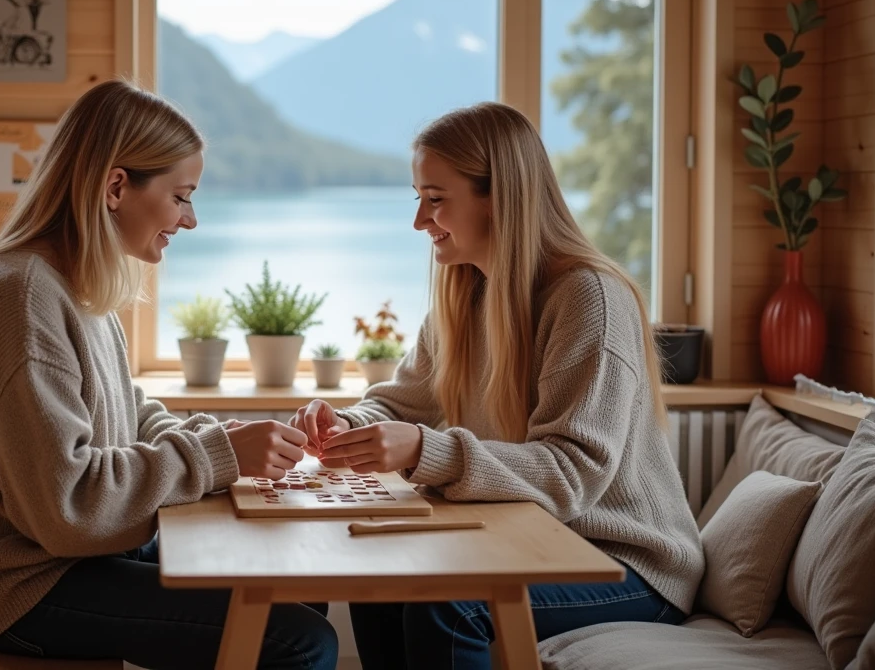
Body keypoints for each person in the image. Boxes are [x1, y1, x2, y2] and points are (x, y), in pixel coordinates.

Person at [0, 80, 337, 669]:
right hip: (25, 587)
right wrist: (219, 456)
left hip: (76, 560)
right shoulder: (22, 297)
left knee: (295, 583)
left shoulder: (72, 285)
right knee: (301, 641)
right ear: (116, 186)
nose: (191, 220)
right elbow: (69, 508)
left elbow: (126, 411)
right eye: (181, 196)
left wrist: (230, 440)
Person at [290, 102, 703, 669]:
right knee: (380, 582)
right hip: (524, 542)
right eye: (418, 198)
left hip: (626, 563)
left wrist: (423, 449)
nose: (419, 221)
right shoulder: (466, 294)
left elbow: (569, 472)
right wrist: (347, 425)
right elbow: (403, 398)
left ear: (501, 197)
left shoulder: (589, 298)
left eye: (436, 200)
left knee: (449, 605)